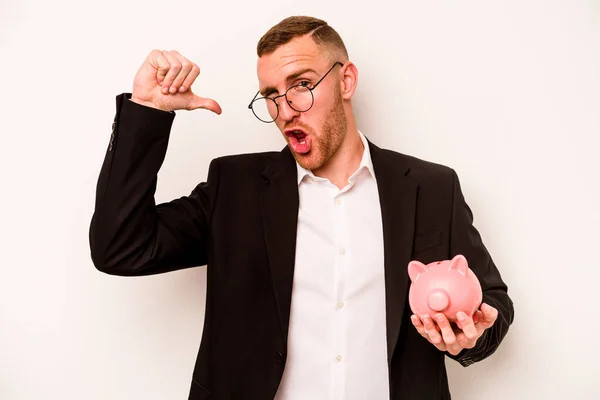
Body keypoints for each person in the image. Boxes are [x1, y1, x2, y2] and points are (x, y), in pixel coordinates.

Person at [89, 15, 514, 400]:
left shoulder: (431, 187)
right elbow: (121, 247)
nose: (285, 109)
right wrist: (147, 111)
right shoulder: (234, 189)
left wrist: (470, 335)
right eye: (271, 95)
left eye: (302, 85)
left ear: (346, 80)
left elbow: (493, 303)